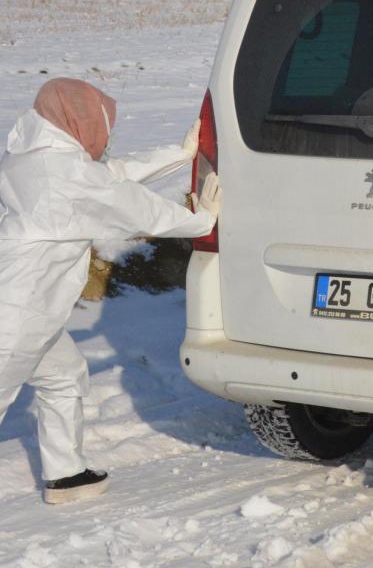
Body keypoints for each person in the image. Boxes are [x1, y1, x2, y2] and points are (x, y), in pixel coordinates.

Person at [0, 78, 221, 504]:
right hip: (17, 315)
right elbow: (131, 206)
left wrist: (178, 156)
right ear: (80, 120)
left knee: (63, 376)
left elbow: (108, 177)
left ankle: (66, 476)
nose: (106, 132)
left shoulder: (31, 157)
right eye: (101, 122)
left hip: (32, 309)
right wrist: (201, 220)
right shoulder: (63, 176)